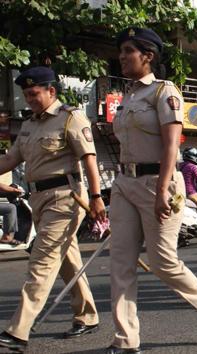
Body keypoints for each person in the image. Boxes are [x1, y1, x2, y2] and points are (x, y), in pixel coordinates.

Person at [108, 28, 197, 353]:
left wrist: (162, 189)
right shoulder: (128, 95)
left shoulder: (164, 92)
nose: (121, 56)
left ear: (147, 56)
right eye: (120, 50)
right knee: (120, 262)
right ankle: (126, 340)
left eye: (128, 50)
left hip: (158, 183)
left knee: (162, 261)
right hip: (124, 184)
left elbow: (172, 144)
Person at [0, 66, 105, 353]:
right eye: (26, 94)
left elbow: (89, 159)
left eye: (34, 93)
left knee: (42, 262)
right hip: (38, 199)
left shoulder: (70, 118)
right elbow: (9, 159)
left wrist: (96, 197)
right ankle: (88, 314)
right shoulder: (30, 126)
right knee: (68, 259)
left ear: (51, 92)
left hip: (65, 198)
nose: (30, 99)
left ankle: (18, 330)